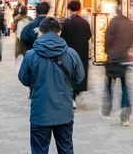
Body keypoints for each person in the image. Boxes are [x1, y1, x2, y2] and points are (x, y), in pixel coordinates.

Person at [18, 17, 85, 154]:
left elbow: (24, 79)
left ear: (40, 32)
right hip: (64, 112)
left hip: (40, 112)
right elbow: (79, 78)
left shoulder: (30, 55)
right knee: (66, 149)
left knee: (39, 150)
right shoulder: (71, 53)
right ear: (59, 32)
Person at [103, 0, 133, 126]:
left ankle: (107, 108)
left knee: (109, 83)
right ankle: (125, 116)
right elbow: (132, 39)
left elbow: (108, 38)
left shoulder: (113, 22)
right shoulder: (129, 23)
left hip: (112, 58)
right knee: (124, 85)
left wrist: (108, 51)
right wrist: (126, 50)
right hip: (124, 58)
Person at [61, 0, 92, 110]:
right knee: (82, 71)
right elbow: (89, 36)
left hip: (69, 53)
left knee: (70, 73)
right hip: (82, 52)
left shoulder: (67, 23)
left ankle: (72, 98)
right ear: (80, 9)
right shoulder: (85, 23)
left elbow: (62, 38)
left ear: (69, 9)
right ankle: (82, 91)